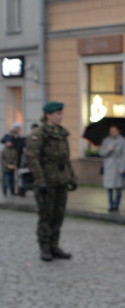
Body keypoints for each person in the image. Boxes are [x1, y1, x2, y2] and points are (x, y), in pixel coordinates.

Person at [24, 101, 77, 262]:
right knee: (46, 216)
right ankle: (45, 248)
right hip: (46, 182)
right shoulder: (39, 135)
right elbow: (33, 159)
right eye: (57, 114)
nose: (60, 117)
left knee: (58, 216)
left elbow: (66, 159)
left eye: (61, 114)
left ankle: (55, 246)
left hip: (60, 181)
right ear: (48, 115)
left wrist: (71, 178)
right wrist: (40, 180)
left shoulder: (61, 134)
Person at [99, 124, 125, 212]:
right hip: (109, 165)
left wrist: (122, 167)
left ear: (118, 131)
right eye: (111, 131)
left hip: (118, 165)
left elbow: (124, 155)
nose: (112, 132)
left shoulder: (122, 140)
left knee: (118, 187)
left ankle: (116, 205)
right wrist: (108, 150)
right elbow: (101, 153)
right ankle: (111, 204)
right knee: (109, 187)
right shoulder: (106, 140)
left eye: (114, 131)